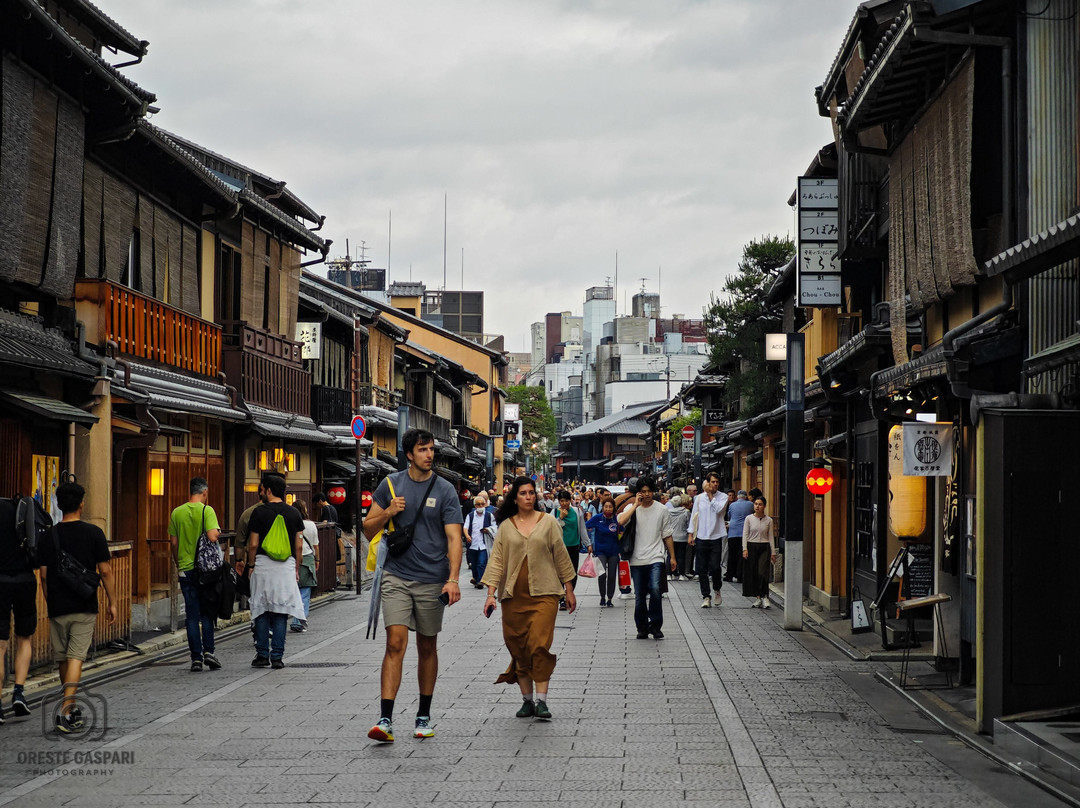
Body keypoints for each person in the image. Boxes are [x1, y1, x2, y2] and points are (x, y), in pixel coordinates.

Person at [364, 428, 463, 743]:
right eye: (423, 450)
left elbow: (453, 537)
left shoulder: (445, 490)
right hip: (396, 574)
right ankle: (385, 719)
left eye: (431, 449)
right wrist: (389, 512)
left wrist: (453, 579)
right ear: (409, 454)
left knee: (427, 646)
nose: (429, 455)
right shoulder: (390, 485)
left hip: (433, 578)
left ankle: (423, 715)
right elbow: (367, 529)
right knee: (395, 642)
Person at [481, 477, 576, 720]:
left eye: (531, 493)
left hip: (545, 594)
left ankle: (542, 701)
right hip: (513, 597)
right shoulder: (505, 526)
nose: (528, 497)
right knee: (519, 646)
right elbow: (497, 562)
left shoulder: (549, 522)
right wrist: (490, 595)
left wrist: (569, 588)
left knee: (539, 645)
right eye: (523, 493)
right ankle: (527, 700)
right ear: (515, 498)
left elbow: (561, 555)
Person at [37, 482, 117, 733]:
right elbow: (105, 570)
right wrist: (113, 602)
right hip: (84, 603)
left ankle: (70, 709)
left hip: (58, 604)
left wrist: (51, 601)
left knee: (63, 657)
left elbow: (43, 575)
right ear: (81, 504)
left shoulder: (49, 535)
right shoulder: (94, 533)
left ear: (59, 506)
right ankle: (65, 708)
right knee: (76, 656)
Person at [245, 474, 305, 669]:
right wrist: (296, 567)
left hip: (262, 565)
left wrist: (251, 565)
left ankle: (262, 654)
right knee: (281, 611)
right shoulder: (294, 513)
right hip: (286, 566)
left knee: (261, 610)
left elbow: (253, 544)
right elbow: (298, 545)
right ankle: (277, 657)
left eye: (262, 489)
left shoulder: (258, 513)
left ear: (268, 490)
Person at [168, 477, 223, 672]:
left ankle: (196, 658)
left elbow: (173, 543)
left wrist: (178, 563)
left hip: (185, 569)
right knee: (207, 612)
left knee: (191, 616)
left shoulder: (177, 512)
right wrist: (217, 530)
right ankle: (209, 652)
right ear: (205, 492)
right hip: (205, 571)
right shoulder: (207, 510)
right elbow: (212, 536)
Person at [616, 476, 676, 640]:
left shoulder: (661, 509)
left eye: (649, 491)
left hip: (656, 557)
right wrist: (635, 504)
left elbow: (667, 534)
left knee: (656, 590)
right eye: (643, 492)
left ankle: (655, 625)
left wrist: (672, 557)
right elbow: (620, 520)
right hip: (636, 558)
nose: (647, 494)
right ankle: (642, 627)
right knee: (640, 595)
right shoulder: (632, 507)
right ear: (638, 493)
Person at [0, 498, 36, 722]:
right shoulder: (21, 506)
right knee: (25, 638)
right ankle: (19, 693)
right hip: (25, 579)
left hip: (0, 582)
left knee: (0, 644)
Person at [688, 472, 729, 608]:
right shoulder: (699, 498)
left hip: (716, 536)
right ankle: (706, 596)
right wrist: (690, 534)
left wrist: (711, 495)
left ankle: (717, 589)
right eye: (712, 482)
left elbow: (718, 510)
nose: (715, 484)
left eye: (717, 482)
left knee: (716, 567)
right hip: (701, 536)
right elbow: (694, 515)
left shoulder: (723, 497)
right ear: (707, 482)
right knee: (701, 568)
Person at [555, 489, 590, 609]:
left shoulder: (576, 511)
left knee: (573, 573)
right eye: (562, 501)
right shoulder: (554, 512)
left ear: (570, 501)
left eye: (566, 500)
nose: (564, 503)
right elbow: (551, 529)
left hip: (573, 546)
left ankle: (568, 593)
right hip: (559, 547)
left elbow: (582, 528)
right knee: (559, 573)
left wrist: (588, 543)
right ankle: (562, 600)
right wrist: (560, 518)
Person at [585, 497, 621, 606]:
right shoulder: (597, 518)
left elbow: (623, 532)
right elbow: (584, 527)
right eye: (606, 507)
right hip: (600, 551)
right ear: (602, 507)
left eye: (610, 507)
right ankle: (602, 597)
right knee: (602, 575)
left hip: (614, 551)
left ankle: (610, 598)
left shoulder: (617, 519)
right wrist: (588, 544)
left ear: (614, 508)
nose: (608, 509)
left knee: (611, 576)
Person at [742, 497, 777, 608]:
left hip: (764, 546)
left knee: (763, 572)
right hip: (752, 545)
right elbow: (745, 534)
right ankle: (758, 597)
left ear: (764, 506)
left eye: (760, 504)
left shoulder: (769, 520)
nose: (757, 506)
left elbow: (771, 536)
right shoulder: (749, 518)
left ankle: (765, 596)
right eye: (756, 504)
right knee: (754, 573)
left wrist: (773, 552)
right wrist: (745, 548)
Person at [291, 500, 320, 632]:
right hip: (307, 559)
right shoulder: (311, 525)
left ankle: (296, 619)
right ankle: (299, 620)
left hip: (291, 559)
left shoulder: (290, 523)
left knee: (294, 592)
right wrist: (317, 560)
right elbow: (316, 545)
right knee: (305, 592)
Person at [463, 496, 494, 588]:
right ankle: (476, 578)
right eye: (478, 504)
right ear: (475, 505)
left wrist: (488, 530)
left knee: (481, 563)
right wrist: (467, 536)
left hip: (484, 544)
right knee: (474, 563)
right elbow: (465, 527)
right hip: (473, 543)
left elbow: (495, 527)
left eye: (482, 504)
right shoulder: (471, 516)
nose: (480, 506)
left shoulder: (489, 515)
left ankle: (480, 581)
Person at [724, 490, 754, 584]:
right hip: (744, 532)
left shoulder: (732, 505)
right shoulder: (750, 504)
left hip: (732, 531)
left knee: (731, 555)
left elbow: (729, 515)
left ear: (738, 497)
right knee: (741, 555)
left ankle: (729, 575)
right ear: (745, 497)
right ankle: (740, 575)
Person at [668, 495, 692, 580]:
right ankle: (681, 574)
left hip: (671, 537)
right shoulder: (686, 512)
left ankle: (670, 574)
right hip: (682, 537)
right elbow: (689, 524)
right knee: (681, 556)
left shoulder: (668, 512)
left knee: (670, 555)